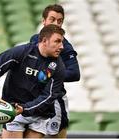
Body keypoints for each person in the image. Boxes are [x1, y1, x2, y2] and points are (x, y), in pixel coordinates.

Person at [0, 24, 66, 138]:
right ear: (44, 41)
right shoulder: (23, 52)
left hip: (40, 113)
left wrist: (25, 108)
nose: (62, 46)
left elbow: (49, 96)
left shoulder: (58, 66)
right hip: (13, 109)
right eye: (57, 41)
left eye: (62, 42)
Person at [30, 4, 80, 138]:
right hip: (33, 98)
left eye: (60, 21)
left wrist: (47, 74)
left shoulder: (65, 47)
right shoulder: (34, 40)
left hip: (55, 100)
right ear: (43, 21)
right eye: (52, 19)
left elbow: (75, 73)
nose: (56, 24)